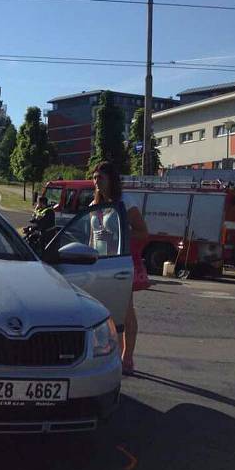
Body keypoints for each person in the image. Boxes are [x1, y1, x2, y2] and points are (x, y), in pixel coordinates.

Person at [90, 160, 149, 375]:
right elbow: (90, 237)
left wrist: (118, 234)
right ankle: (106, 354)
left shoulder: (125, 202)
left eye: (101, 178)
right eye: (94, 178)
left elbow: (143, 232)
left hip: (119, 264)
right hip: (97, 265)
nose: (97, 182)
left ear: (111, 180)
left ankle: (127, 358)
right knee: (99, 313)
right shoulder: (94, 205)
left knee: (125, 312)